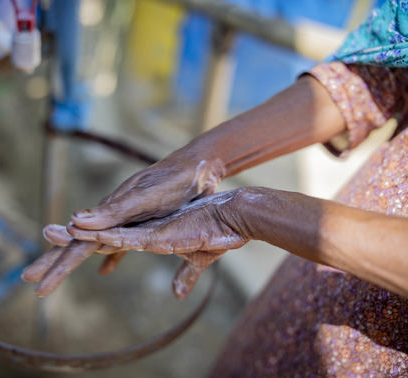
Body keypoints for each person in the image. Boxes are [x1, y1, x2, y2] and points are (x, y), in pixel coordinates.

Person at [23, 0, 408, 375]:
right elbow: (376, 74)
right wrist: (198, 159)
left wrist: (247, 212)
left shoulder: (253, 213)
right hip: (311, 287)